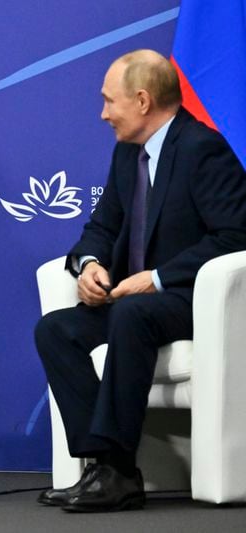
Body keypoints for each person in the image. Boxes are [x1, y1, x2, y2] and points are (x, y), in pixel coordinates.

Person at [34, 49, 246, 512]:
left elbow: (237, 234)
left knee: (132, 312)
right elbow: (102, 227)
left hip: (189, 300)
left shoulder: (200, 149)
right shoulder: (128, 155)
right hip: (136, 305)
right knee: (56, 329)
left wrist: (157, 277)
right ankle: (109, 467)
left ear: (144, 100)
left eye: (111, 101)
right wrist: (88, 264)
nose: (103, 113)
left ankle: (115, 471)